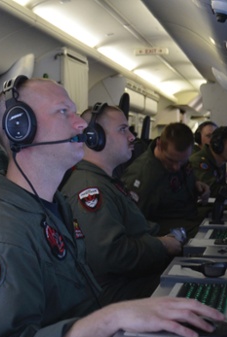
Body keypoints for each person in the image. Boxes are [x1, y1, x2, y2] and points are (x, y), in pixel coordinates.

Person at [0, 78, 224, 337]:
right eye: (63, 112)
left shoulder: (55, 210)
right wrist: (112, 318)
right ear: (22, 128)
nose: (82, 125)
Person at [61, 104, 182, 305]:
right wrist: (162, 245)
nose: (132, 137)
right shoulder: (89, 189)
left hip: (129, 282)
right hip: (115, 294)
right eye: (123, 129)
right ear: (94, 138)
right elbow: (110, 254)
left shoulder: (105, 181)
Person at [121, 122, 210, 237]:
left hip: (187, 215)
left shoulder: (176, 156)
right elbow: (134, 224)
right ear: (159, 144)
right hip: (164, 230)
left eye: (182, 161)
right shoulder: (144, 177)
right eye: (171, 160)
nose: (176, 167)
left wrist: (196, 184)